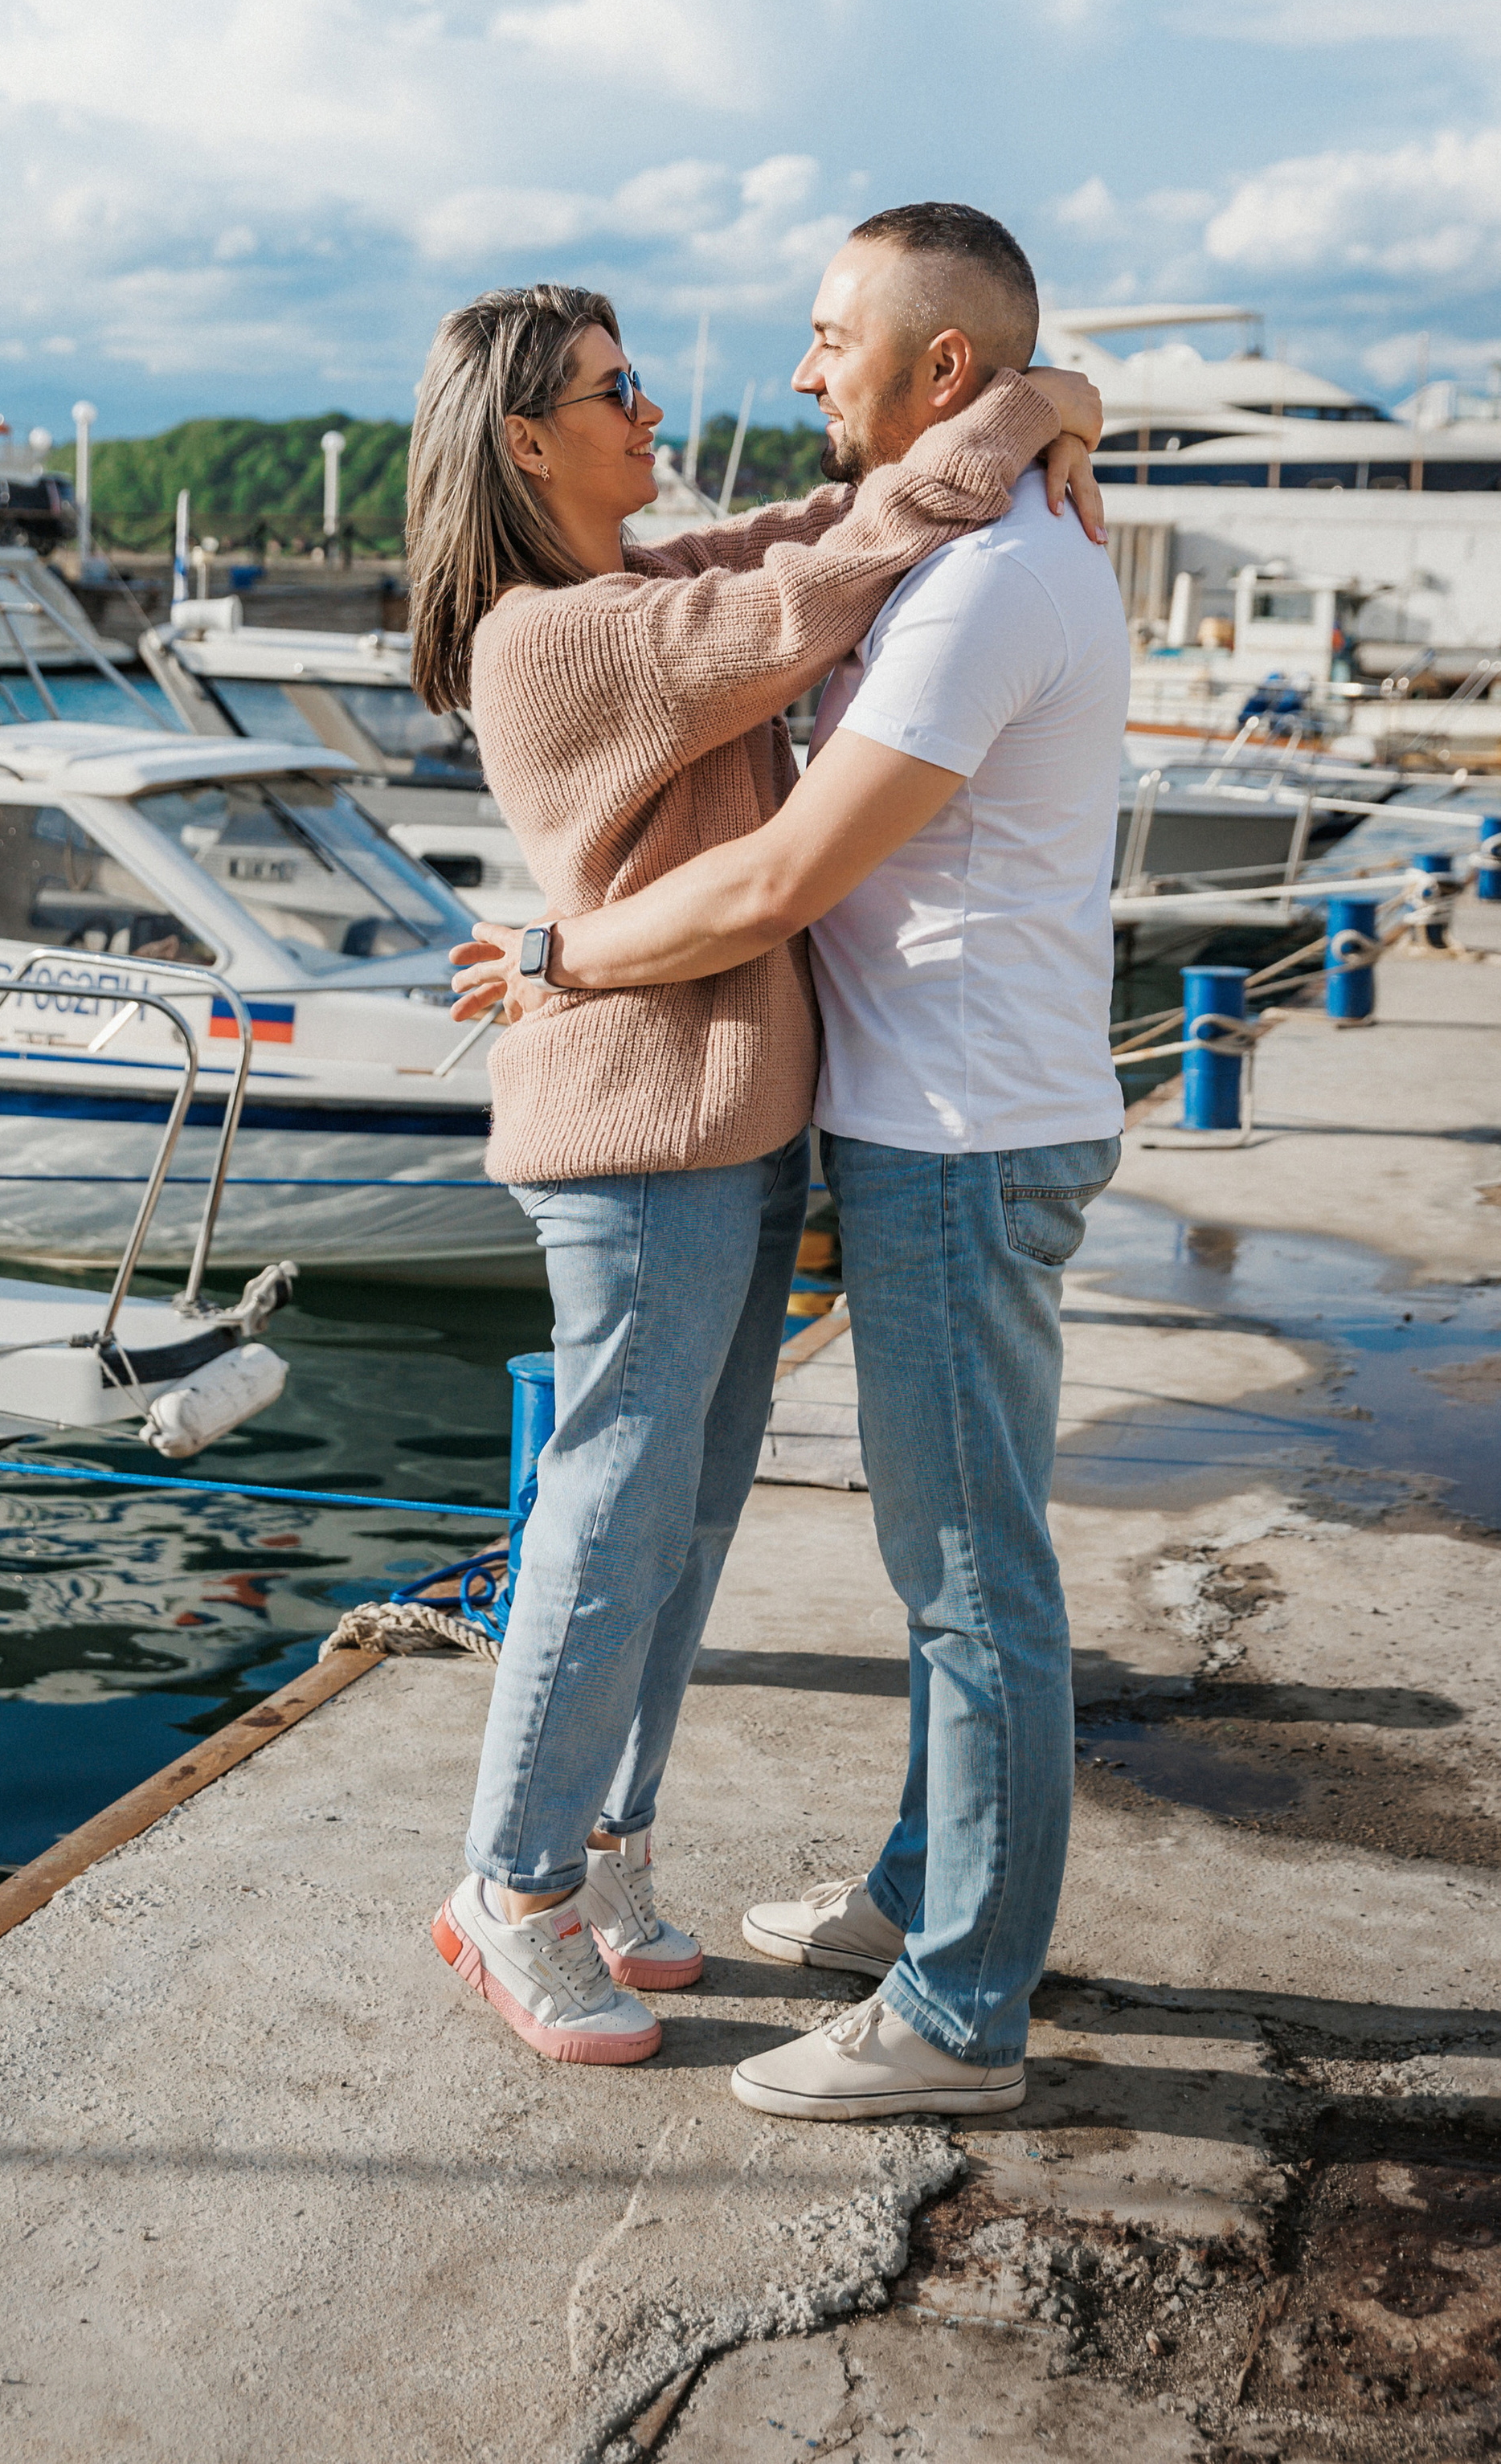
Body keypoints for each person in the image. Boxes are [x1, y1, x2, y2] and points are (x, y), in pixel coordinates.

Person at [450, 204, 1130, 2117]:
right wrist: (1026, 401)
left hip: (874, 1125)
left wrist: (1044, 392)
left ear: (930, 370)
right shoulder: (564, 634)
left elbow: (811, 559)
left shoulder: (964, 569)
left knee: (888, 1564)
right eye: (617, 387)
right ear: (525, 439)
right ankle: (527, 1881)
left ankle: (885, 1950)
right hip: (668, 1122)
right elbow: (808, 595)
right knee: (651, 1515)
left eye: (832, 336)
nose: (756, 378)